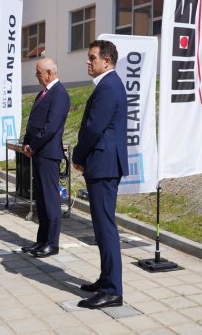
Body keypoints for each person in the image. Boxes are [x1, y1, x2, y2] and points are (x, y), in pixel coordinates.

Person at [72, 40, 128, 310]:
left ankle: (112, 290)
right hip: (103, 164)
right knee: (101, 226)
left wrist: (78, 156)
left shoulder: (108, 86)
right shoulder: (108, 84)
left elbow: (94, 129)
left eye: (92, 58)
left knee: (105, 228)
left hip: (104, 165)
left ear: (106, 61)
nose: (88, 62)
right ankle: (106, 278)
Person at [21, 58, 71, 258]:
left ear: (50, 73)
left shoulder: (59, 94)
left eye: (39, 72)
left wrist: (33, 145)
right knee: (41, 200)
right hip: (37, 152)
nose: (37, 75)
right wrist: (26, 142)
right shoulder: (43, 93)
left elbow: (50, 127)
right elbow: (34, 121)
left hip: (48, 154)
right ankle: (41, 240)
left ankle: (52, 242)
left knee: (50, 200)